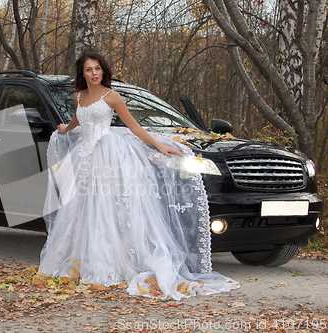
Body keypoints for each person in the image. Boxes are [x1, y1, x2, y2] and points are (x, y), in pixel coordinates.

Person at [38, 52, 240, 299]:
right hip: (84, 158)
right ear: (82, 74)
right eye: (89, 70)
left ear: (103, 71)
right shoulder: (78, 96)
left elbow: (133, 127)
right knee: (82, 208)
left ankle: (113, 263)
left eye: (97, 69)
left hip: (107, 155)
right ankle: (81, 260)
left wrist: (159, 146)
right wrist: (65, 129)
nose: (94, 73)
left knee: (108, 209)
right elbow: (77, 120)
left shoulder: (112, 96)